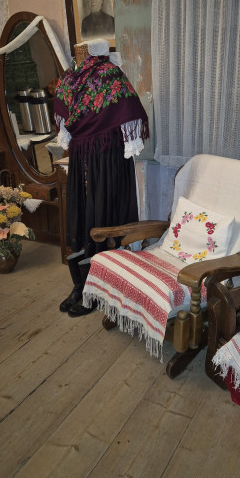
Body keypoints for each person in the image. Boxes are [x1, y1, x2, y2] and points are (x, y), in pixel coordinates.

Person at [54, 40, 149, 317]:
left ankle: (100, 288)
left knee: (104, 213)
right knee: (84, 214)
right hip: (81, 155)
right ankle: (81, 285)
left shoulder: (110, 74)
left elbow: (130, 112)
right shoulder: (69, 77)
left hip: (107, 157)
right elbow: (64, 118)